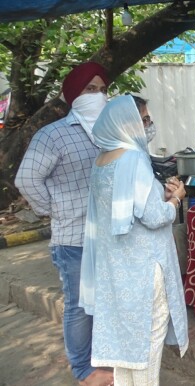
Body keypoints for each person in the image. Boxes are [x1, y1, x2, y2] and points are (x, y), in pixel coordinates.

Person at [79, 95, 189, 384]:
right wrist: (176, 199)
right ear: (126, 123)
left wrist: (159, 196)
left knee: (128, 344)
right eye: (144, 119)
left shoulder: (103, 159)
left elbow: (126, 207)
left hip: (118, 269)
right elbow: (154, 217)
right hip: (145, 267)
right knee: (148, 341)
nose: (148, 125)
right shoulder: (134, 158)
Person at [15, 62, 114, 386]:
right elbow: (27, 180)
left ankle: (104, 359)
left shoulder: (108, 133)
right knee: (80, 306)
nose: (98, 96)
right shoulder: (53, 135)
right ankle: (83, 370)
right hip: (73, 238)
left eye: (102, 89)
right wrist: (55, 209)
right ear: (74, 95)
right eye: (90, 89)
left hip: (110, 236)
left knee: (106, 301)